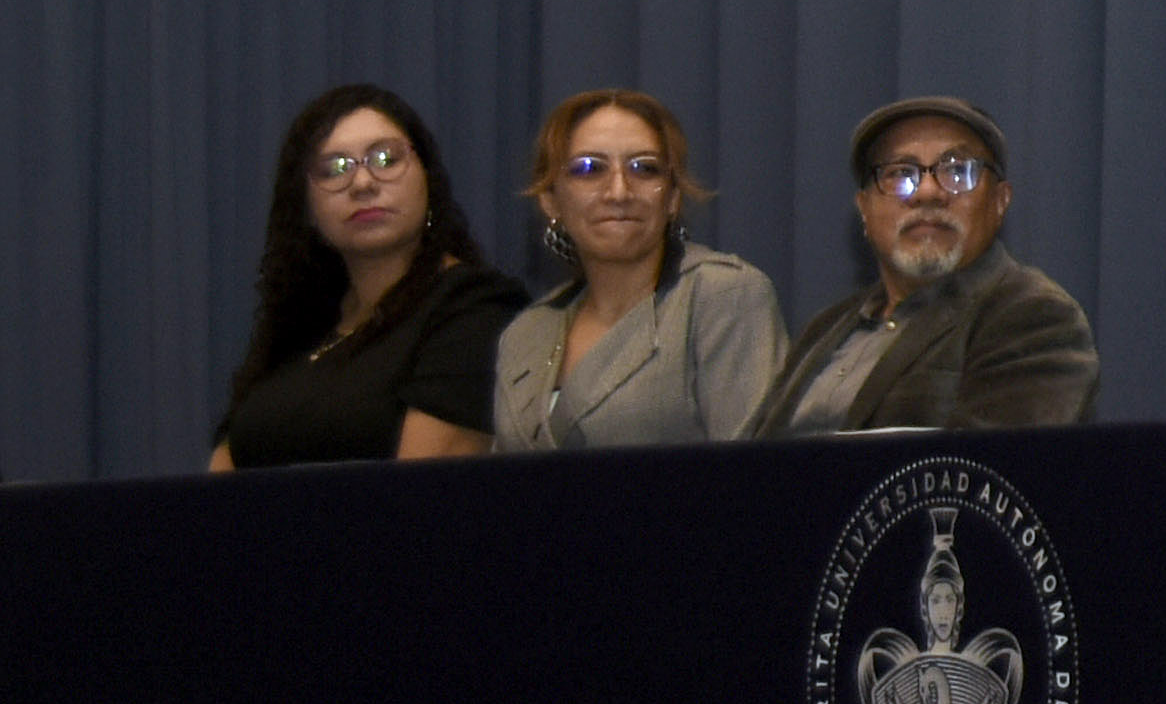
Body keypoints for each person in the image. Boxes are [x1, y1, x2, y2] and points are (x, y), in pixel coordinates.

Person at [741, 98, 1101, 436]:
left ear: (999, 201)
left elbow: (987, 479)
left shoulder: (1032, 316)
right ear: (864, 209)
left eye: (958, 171)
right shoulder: (824, 328)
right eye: (900, 173)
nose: (927, 192)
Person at [209, 85, 525, 469]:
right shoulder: (302, 320)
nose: (363, 184)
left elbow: (423, 495)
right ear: (306, 208)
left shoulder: (474, 308)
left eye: (386, 159)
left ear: (427, 178)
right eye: (335, 169)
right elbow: (223, 472)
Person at [491, 89, 786, 450]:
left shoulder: (722, 296)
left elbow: (756, 479)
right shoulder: (525, 333)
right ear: (550, 199)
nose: (618, 191)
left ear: (673, 197)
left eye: (644, 168)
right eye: (589, 168)